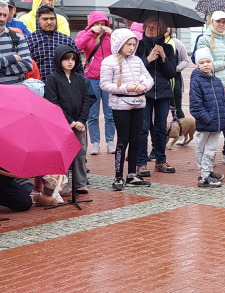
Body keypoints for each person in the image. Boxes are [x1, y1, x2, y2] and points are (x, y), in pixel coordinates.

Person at [100, 28, 153, 191]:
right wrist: (126, 88)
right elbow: (104, 84)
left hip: (138, 104)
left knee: (136, 139)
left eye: (133, 44)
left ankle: (131, 174)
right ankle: (118, 176)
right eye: (128, 44)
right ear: (119, 44)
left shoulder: (137, 61)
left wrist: (143, 86)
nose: (131, 47)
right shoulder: (109, 61)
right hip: (120, 106)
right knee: (123, 140)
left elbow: (149, 78)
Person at [43, 45, 93, 193]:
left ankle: (80, 184)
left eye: (73, 59)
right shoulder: (52, 78)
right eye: (66, 59)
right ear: (59, 60)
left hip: (79, 123)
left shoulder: (80, 79)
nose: (70, 62)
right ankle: (62, 185)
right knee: (63, 154)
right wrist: (69, 121)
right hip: (61, 124)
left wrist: (81, 120)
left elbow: (86, 99)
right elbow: (53, 102)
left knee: (80, 153)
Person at [196, 10, 225, 164]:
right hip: (213, 87)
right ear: (212, 22)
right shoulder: (204, 40)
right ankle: (208, 157)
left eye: (224, 22)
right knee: (216, 122)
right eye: (218, 22)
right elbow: (204, 65)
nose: (221, 24)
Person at [135, 16, 178, 177]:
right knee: (143, 128)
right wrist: (148, 59)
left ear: (161, 31)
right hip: (143, 91)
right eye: (148, 26)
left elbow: (171, 73)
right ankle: (140, 163)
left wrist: (164, 58)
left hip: (163, 92)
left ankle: (160, 160)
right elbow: (134, 70)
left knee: (161, 128)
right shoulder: (138, 46)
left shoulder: (167, 48)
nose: (150, 29)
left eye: (154, 27)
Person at [75, 11, 116, 155]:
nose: (100, 26)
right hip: (91, 78)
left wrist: (112, 34)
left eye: (103, 23)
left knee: (110, 114)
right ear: (91, 24)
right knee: (92, 114)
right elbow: (76, 47)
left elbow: (120, 49)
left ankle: (111, 142)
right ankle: (95, 143)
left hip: (108, 78)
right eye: (97, 23)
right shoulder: (84, 34)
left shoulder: (111, 35)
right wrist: (91, 33)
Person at [190, 48, 225, 187]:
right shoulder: (196, 81)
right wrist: (207, 118)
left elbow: (224, 101)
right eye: (202, 62)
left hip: (217, 122)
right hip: (205, 122)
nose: (206, 64)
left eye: (208, 61)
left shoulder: (217, 81)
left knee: (212, 149)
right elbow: (195, 105)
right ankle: (204, 175)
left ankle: (207, 171)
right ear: (197, 64)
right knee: (202, 148)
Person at [26, 5, 77, 81]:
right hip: (39, 86)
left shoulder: (66, 40)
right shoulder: (29, 40)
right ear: (38, 20)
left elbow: (77, 66)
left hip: (63, 86)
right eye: (45, 19)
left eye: (52, 19)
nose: (49, 22)